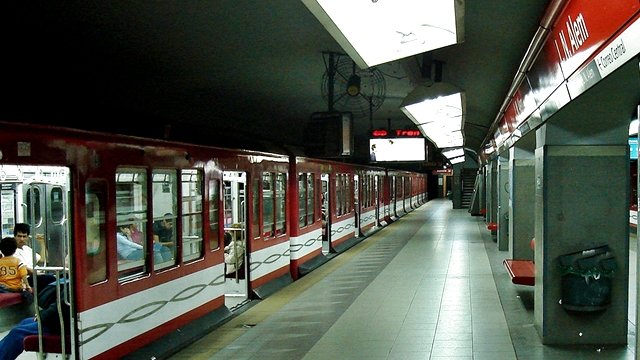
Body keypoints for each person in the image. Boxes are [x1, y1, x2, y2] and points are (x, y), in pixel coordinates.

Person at [0, 270, 70, 360]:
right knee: (25, 322)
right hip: (61, 320)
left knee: (17, 333)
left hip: (60, 324)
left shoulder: (74, 284)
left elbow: (60, 308)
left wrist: (42, 315)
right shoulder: (72, 278)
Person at [0, 237, 33, 305]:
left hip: (4, 289)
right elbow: (23, 274)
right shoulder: (18, 261)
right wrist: (27, 286)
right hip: (17, 287)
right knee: (21, 287)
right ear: (15, 250)